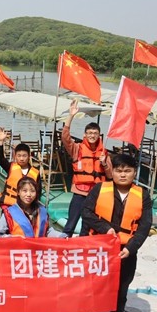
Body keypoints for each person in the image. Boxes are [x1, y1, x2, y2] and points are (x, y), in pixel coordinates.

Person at [69, 153, 152, 312]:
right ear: (112, 171)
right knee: (91, 287)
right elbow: (86, 212)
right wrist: (105, 228)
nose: (123, 175)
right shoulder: (99, 189)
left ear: (134, 172)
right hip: (99, 249)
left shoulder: (143, 195)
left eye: (127, 171)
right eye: (119, 170)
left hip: (125, 251)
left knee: (121, 291)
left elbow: (145, 226)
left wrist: (131, 247)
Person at [0, 176, 67, 312]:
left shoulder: (42, 211)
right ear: (18, 192)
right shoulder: (9, 212)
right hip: (14, 262)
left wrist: (63, 237)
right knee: (11, 297)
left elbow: (48, 231)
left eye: (32, 191)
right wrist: (13, 239)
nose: (28, 194)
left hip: (34, 261)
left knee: (25, 296)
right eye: (25, 191)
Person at [61, 100, 112, 236]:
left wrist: (104, 163)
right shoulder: (77, 149)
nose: (92, 135)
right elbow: (65, 138)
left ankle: (84, 242)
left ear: (99, 135)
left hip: (96, 193)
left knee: (87, 224)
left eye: (95, 133)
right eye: (89, 133)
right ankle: (65, 240)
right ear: (84, 135)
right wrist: (71, 115)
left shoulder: (104, 153)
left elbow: (110, 175)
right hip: (80, 192)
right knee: (71, 222)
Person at [0, 130, 39, 208]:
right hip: (9, 205)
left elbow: (38, 192)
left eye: (24, 156)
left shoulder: (35, 173)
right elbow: (0, 158)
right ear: (15, 156)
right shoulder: (10, 167)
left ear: (29, 156)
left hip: (26, 207)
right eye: (19, 156)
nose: (21, 159)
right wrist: (1, 141)